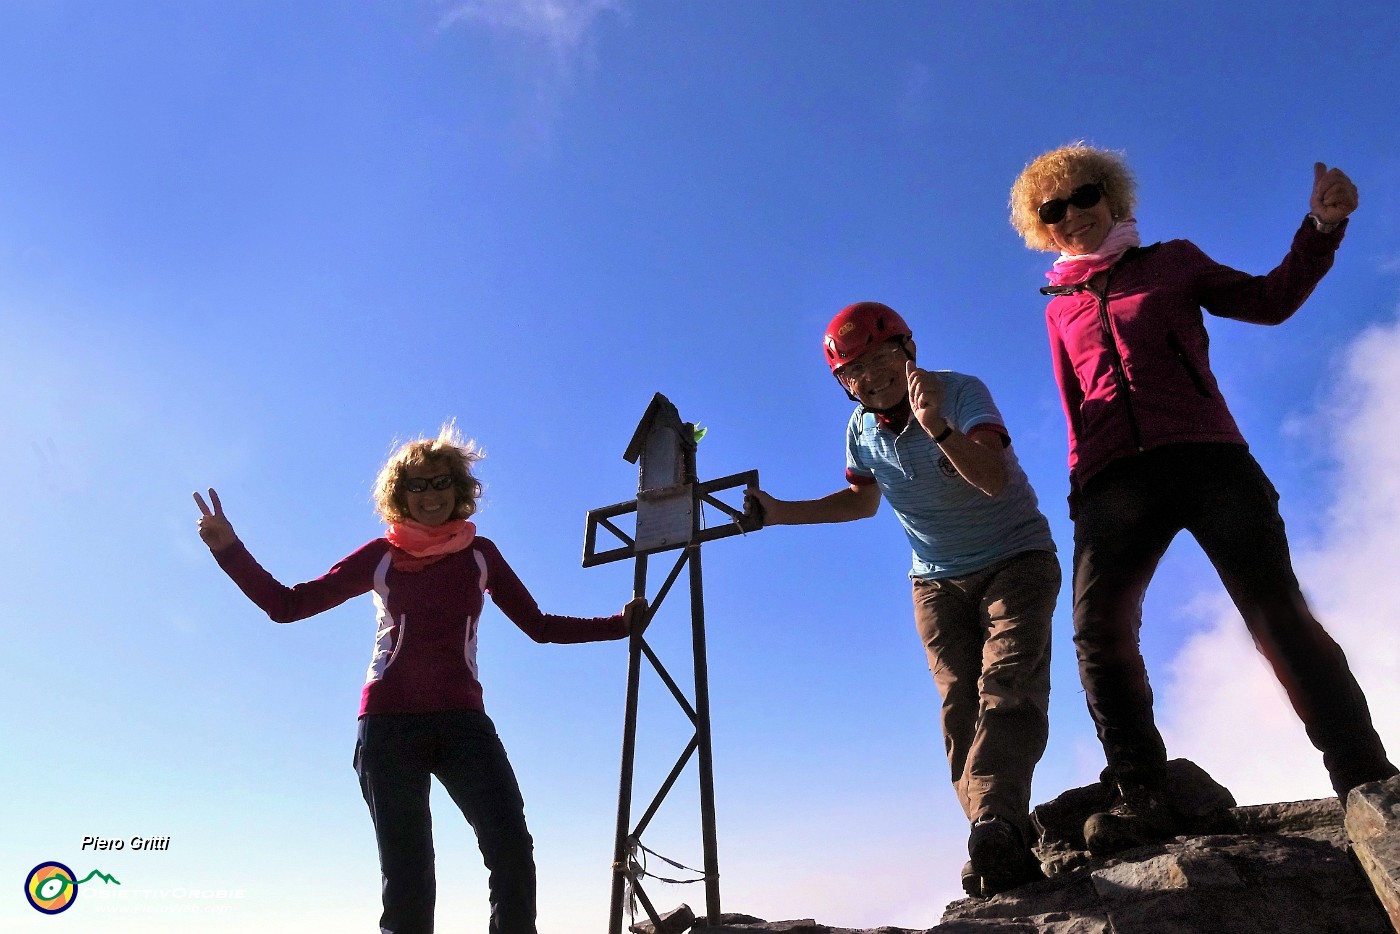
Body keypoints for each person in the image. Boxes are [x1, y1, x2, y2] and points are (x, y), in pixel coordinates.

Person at [1008, 144, 1397, 855]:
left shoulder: (1174, 261)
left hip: (1208, 459)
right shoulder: (1060, 306)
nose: (1074, 216)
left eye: (1085, 196)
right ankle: (1143, 795)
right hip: (1111, 482)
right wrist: (1081, 494)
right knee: (1099, 633)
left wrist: (1320, 230)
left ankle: (1367, 780)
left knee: (1277, 615)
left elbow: (1268, 301)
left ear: (1116, 199)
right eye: (1052, 211)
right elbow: (1074, 406)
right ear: (1044, 228)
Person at [194, 424, 644, 934]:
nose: (430, 496)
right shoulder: (381, 555)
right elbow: (287, 605)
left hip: (463, 723)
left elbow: (538, 626)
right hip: (389, 727)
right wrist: (228, 548)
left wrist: (618, 626)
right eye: (417, 485)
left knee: (511, 846)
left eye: (440, 483)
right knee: (409, 876)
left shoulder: (480, 554)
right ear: (399, 494)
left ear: (459, 490)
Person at [745, 302, 1060, 897]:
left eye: (882, 359)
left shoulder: (960, 394)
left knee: (1009, 687)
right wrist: (780, 514)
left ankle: (995, 824)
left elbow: (992, 478)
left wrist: (937, 425)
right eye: (852, 374)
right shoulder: (861, 432)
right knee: (959, 710)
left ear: (909, 351)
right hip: (935, 581)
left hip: (1016, 558)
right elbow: (861, 504)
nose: (870, 379)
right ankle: (997, 839)